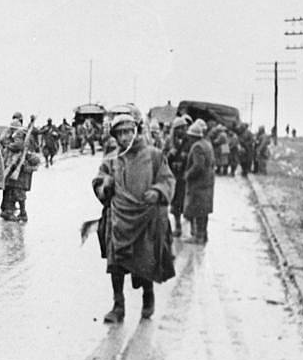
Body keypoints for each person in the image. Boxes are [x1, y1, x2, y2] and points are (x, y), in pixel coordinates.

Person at [92, 113, 175, 323]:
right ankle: (118, 306)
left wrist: (157, 192)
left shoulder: (154, 156)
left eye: (128, 131)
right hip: (118, 219)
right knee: (116, 262)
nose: (124, 137)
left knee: (144, 259)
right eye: (120, 133)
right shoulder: (111, 160)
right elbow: (98, 180)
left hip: (145, 219)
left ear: (136, 131)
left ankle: (148, 296)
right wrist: (105, 185)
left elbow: (167, 179)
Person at [182, 119, 215, 244]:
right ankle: (203, 235)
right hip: (207, 183)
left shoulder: (197, 147)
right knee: (203, 211)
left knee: (197, 210)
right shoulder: (207, 144)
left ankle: (198, 236)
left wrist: (187, 175)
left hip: (198, 184)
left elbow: (198, 166)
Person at [1, 118, 41, 222]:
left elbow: (18, 146)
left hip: (21, 171)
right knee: (15, 192)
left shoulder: (18, 135)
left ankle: (23, 213)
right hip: (19, 170)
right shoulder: (23, 135)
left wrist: (8, 145)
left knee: (19, 193)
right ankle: (12, 212)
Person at [164, 115, 192, 237]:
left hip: (185, 176)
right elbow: (162, 158)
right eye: (178, 128)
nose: (181, 131)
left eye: (183, 128)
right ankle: (178, 227)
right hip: (173, 176)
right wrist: (170, 154)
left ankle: (193, 228)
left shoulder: (189, 142)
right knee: (175, 203)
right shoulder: (169, 142)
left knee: (188, 202)